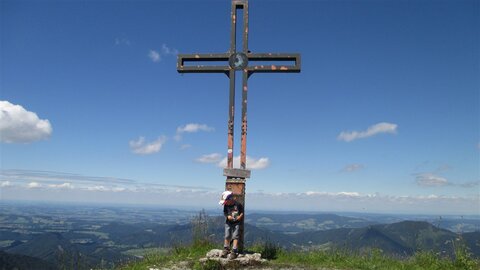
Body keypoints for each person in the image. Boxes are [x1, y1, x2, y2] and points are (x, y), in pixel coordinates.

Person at [218, 190, 244, 259]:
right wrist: (227, 216)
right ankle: (226, 248)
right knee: (227, 235)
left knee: (235, 236)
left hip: (236, 223)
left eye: (225, 202)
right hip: (228, 222)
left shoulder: (238, 204)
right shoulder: (226, 205)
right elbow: (225, 212)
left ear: (230, 199)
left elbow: (241, 212)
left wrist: (239, 217)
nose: (225, 204)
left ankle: (234, 250)